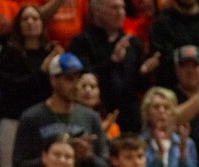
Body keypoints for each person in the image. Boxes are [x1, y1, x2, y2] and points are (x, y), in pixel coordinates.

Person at [12, 53, 112, 167]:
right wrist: (54, 157)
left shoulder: (91, 117)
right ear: (53, 80)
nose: (76, 85)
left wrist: (87, 156)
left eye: (78, 79)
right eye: (69, 79)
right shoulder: (32, 117)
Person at [69, 0, 161, 133]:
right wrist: (113, 61)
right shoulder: (81, 42)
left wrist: (144, 72)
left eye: (122, 8)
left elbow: (139, 86)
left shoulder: (133, 43)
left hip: (128, 116)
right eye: (114, 8)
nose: (120, 13)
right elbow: (86, 79)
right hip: (95, 112)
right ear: (98, 12)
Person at [0, 4, 59, 167]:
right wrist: (41, 72)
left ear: (43, 24)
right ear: (18, 24)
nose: (30, 22)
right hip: (13, 119)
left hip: (44, 122)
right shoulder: (8, 53)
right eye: (25, 19)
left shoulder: (50, 52)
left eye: (35, 18)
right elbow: (9, 87)